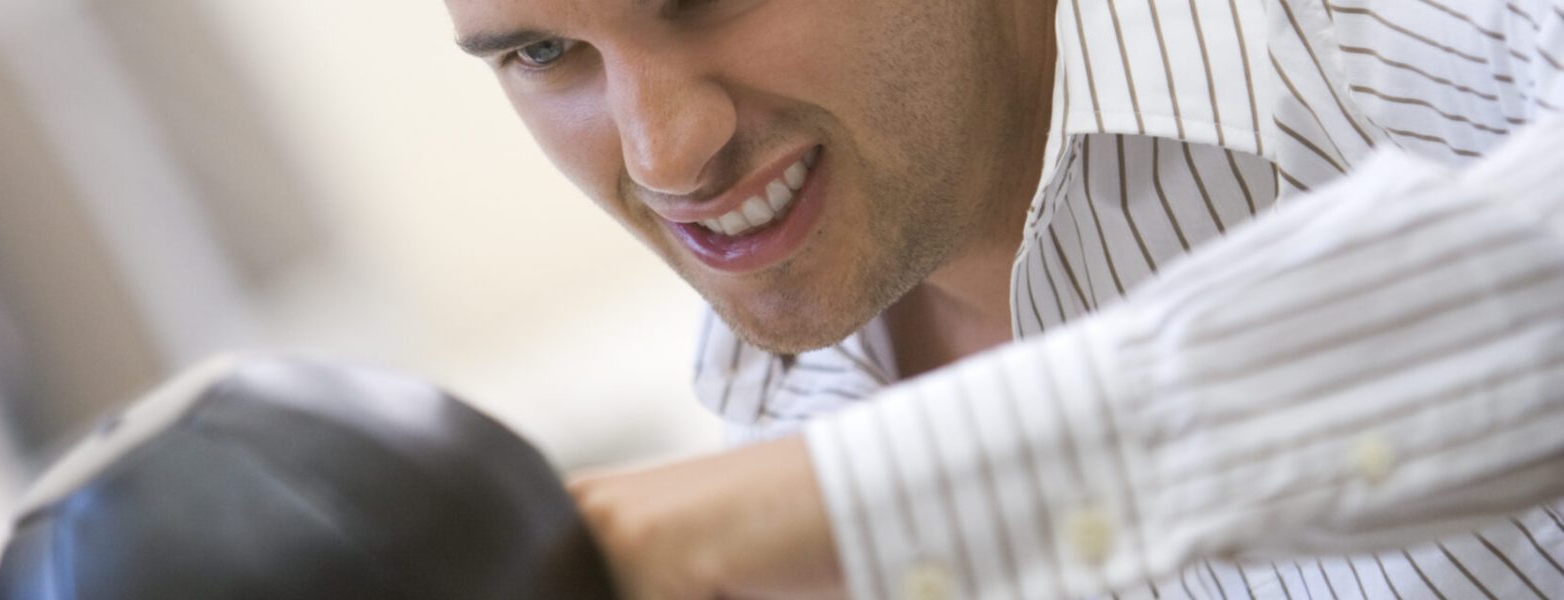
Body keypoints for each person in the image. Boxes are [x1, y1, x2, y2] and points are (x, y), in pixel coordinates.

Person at [442, 0, 1564, 597]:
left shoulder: (1420, 39)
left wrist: (838, 505)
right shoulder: (779, 397)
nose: (669, 153)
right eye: (545, 53)